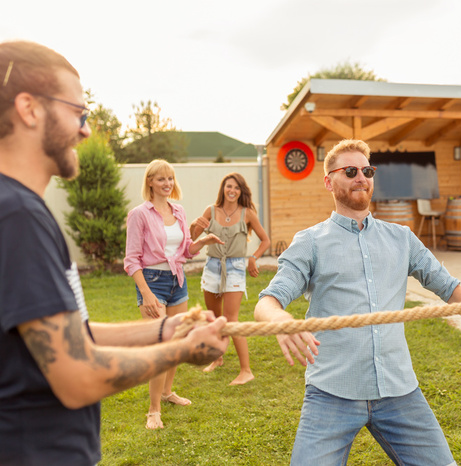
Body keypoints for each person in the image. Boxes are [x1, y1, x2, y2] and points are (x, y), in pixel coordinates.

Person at [0, 40, 229, 465]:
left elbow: (74, 334)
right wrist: (181, 351)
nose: (86, 129)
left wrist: (165, 331)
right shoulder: (16, 215)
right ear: (29, 109)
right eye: (79, 113)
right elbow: (77, 376)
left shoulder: (18, 208)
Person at [254, 139, 461, 465]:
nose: (361, 178)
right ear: (328, 181)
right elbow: (268, 301)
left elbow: (448, 286)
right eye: (350, 171)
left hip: (399, 391)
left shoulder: (402, 238)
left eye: (367, 170)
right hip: (332, 392)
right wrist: (281, 321)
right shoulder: (310, 242)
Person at [124, 159, 224, 429]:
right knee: (160, 347)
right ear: (150, 182)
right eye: (161, 179)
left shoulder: (178, 211)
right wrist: (146, 294)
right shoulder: (139, 214)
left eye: (170, 178)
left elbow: (183, 252)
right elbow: (132, 260)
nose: (167, 184)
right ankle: (153, 409)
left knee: (178, 343)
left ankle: (167, 393)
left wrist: (200, 242)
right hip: (152, 281)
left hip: (177, 280)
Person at [189, 172, 271, 385]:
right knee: (215, 317)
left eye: (236, 187)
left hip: (234, 267)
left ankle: (246, 370)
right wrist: (193, 225)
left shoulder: (248, 213)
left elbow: (265, 241)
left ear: (241, 191)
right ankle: (218, 358)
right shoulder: (211, 210)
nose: (232, 191)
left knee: (231, 319)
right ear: (223, 189)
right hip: (212, 266)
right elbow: (192, 239)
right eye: (229, 187)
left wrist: (253, 258)